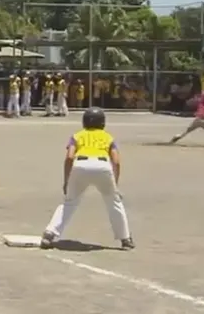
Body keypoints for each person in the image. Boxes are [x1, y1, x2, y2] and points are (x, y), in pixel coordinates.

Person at [40, 107, 134, 250]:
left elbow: (69, 157)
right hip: (103, 166)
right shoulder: (108, 137)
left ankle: (50, 233)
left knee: (69, 202)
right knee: (114, 202)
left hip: (80, 165)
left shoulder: (77, 136)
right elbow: (116, 161)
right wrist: (114, 184)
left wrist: (66, 180)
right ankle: (125, 238)